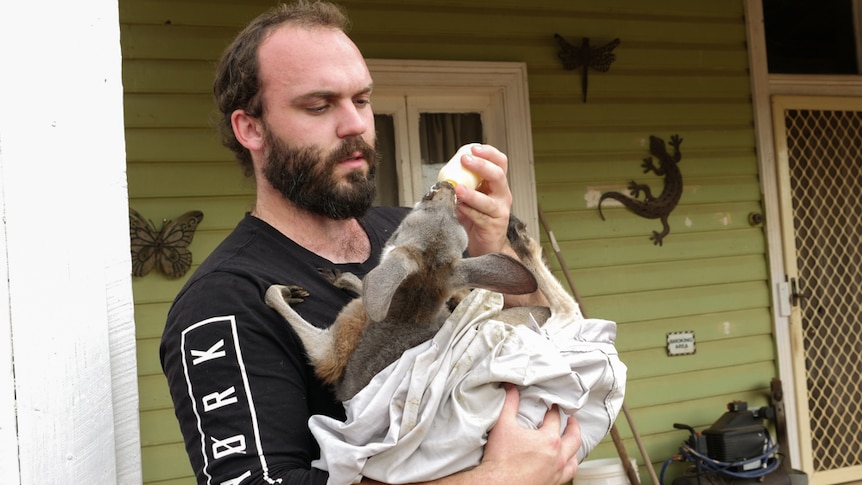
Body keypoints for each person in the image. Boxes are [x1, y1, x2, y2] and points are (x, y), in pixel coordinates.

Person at [159, 1, 582, 484]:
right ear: (250, 128)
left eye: (361, 100)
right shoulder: (225, 301)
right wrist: (501, 479)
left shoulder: (412, 234)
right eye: (319, 105)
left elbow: (543, 348)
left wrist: (493, 246)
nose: (355, 125)